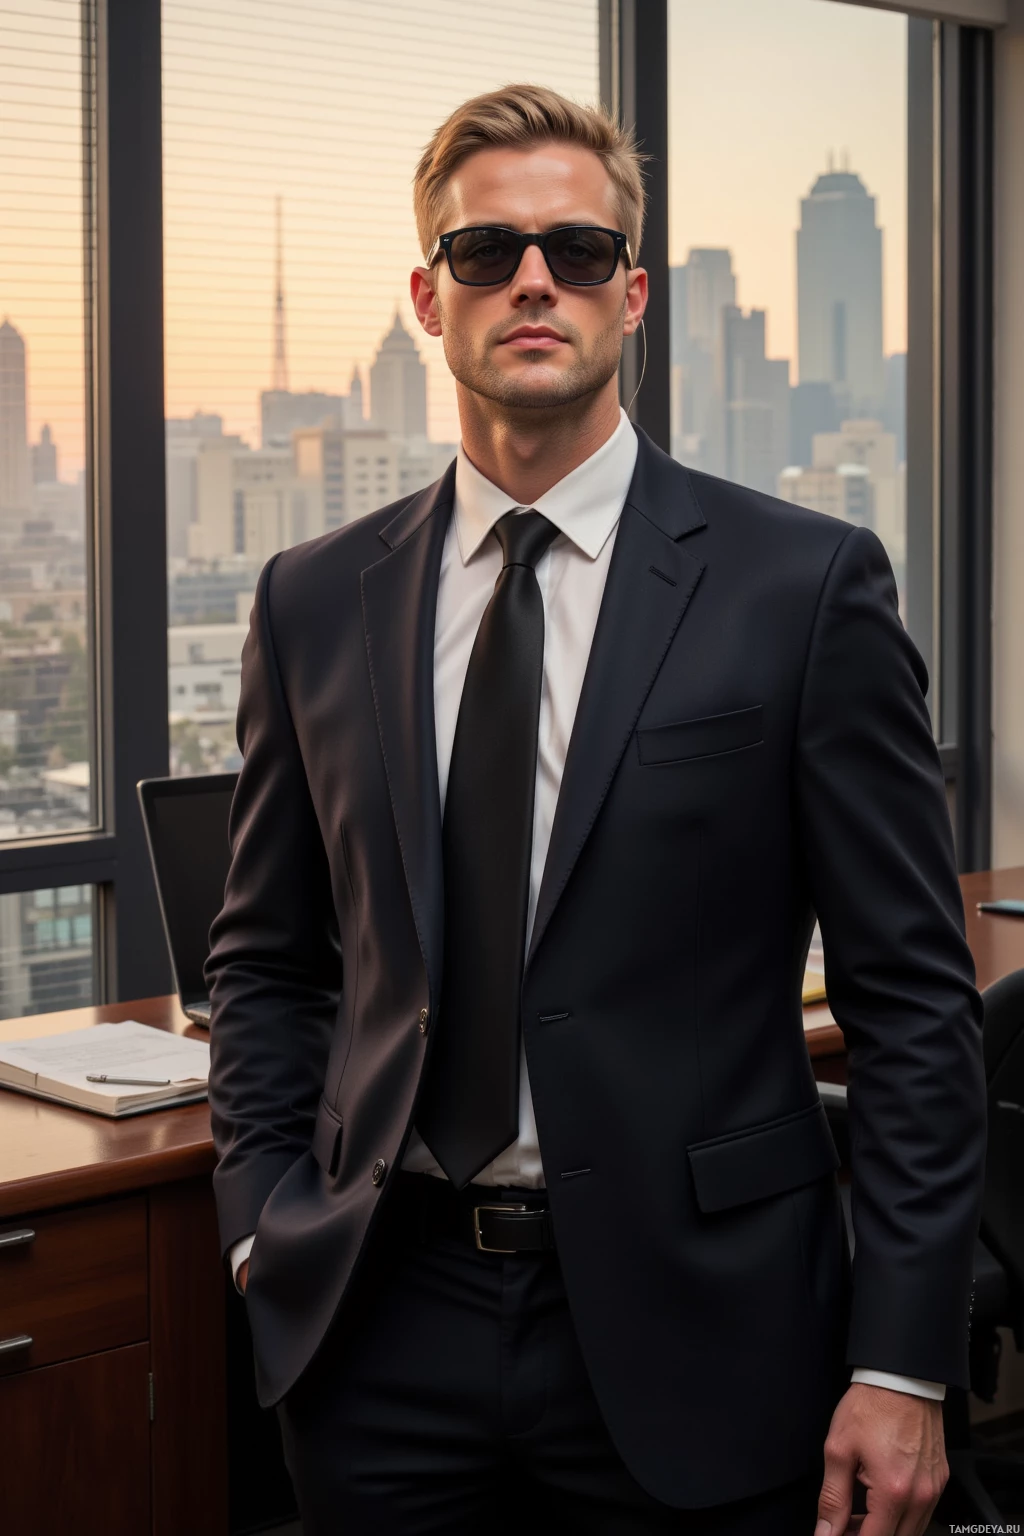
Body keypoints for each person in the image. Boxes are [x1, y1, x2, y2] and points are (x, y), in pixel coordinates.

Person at [206, 83, 986, 1536]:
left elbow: (913, 1004)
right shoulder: (312, 600)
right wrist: (261, 1229)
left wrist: (904, 1360)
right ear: (430, 300)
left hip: (705, 1334)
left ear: (634, 293)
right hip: (382, 1326)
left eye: (573, 248)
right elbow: (266, 962)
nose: (533, 281)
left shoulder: (803, 588)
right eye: (488, 252)